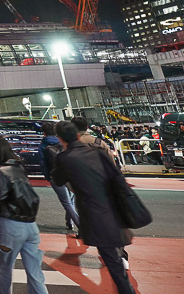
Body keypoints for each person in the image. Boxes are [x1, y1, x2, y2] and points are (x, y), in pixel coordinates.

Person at [52, 121, 136, 294]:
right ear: (77, 135)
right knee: (114, 260)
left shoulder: (65, 157)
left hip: (94, 213)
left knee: (112, 262)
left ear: (60, 139)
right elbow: (115, 175)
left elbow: (58, 179)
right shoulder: (99, 150)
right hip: (114, 206)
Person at [0, 136, 48, 294]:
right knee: (35, 271)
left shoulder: (1, 172)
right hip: (31, 225)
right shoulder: (19, 167)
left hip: (11, 225)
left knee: (5, 267)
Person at [37, 122, 79, 233]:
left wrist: (48, 176)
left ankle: (80, 224)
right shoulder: (62, 142)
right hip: (69, 173)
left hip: (54, 175)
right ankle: (69, 222)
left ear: (44, 133)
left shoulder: (43, 146)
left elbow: (43, 164)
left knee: (66, 202)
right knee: (71, 199)